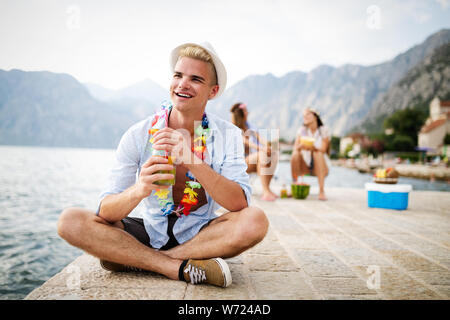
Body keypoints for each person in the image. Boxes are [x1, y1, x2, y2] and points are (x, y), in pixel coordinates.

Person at [57, 42, 269, 288]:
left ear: (212, 91)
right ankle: (175, 267)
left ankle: (139, 260)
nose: (182, 84)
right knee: (70, 221)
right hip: (149, 230)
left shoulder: (228, 135)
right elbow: (106, 212)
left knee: (255, 220)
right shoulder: (138, 134)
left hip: (201, 234)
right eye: (178, 75)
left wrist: (192, 159)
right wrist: (140, 188)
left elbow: (239, 203)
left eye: (196, 79)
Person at [230, 103, 279, 201]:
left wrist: (268, 147)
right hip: (238, 164)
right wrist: (262, 149)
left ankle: (267, 189)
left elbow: (260, 139)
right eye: (246, 111)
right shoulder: (233, 128)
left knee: (272, 154)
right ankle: (265, 191)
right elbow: (246, 142)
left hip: (252, 160)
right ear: (242, 114)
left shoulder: (250, 127)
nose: (248, 112)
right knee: (262, 154)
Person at [290, 107, 331, 201]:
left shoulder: (323, 130)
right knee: (295, 154)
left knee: (318, 154)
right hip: (305, 166)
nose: (305, 117)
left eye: (308, 114)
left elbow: (323, 149)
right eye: (304, 115)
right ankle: (295, 186)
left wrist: (313, 148)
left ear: (315, 116)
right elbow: (295, 148)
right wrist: (300, 147)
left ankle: (321, 190)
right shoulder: (302, 130)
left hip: (321, 167)